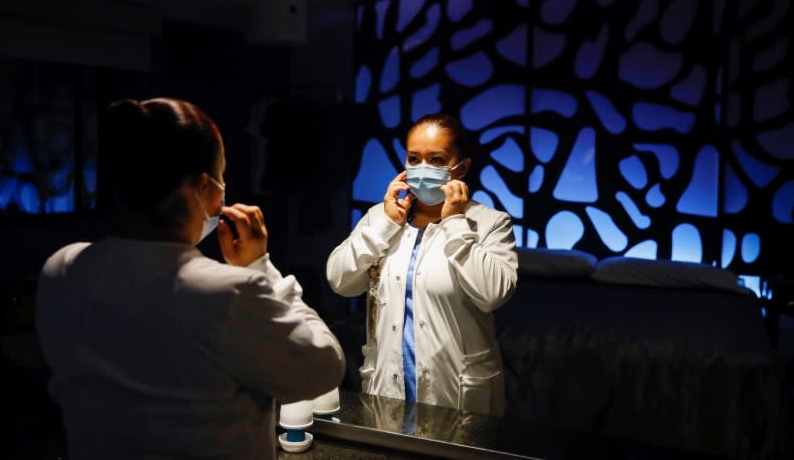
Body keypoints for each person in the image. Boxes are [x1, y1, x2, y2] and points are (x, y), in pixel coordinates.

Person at [35, 98, 345, 459]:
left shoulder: (62, 268)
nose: (224, 187)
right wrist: (259, 266)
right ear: (204, 188)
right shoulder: (226, 293)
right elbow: (323, 368)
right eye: (222, 175)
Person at [326, 113, 517, 415]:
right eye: (414, 159)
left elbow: (492, 293)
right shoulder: (381, 217)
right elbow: (340, 281)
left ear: (462, 167)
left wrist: (454, 222)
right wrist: (385, 225)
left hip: (458, 394)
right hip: (386, 389)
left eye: (437, 160)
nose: (423, 169)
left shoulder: (490, 224)